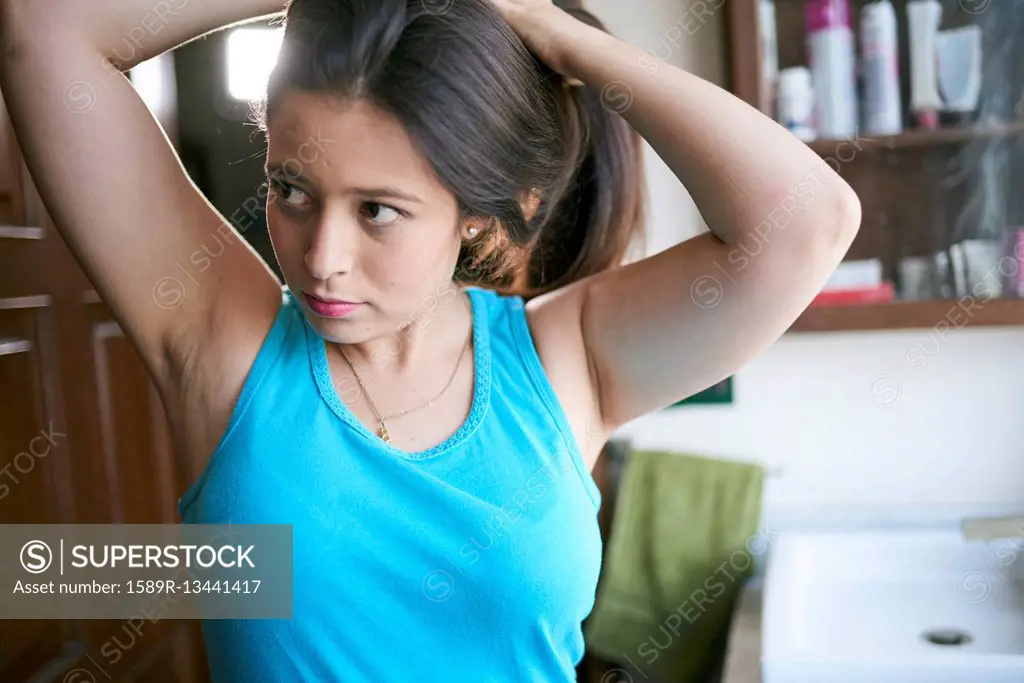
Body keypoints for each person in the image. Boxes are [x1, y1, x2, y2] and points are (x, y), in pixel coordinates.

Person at [0, 0, 860, 680]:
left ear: (492, 211)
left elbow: (807, 222)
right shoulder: (220, 346)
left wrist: (548, 31)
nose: (320, 257)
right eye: (291, 189)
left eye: (378, 209)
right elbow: (44, 29)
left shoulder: (568, 362)